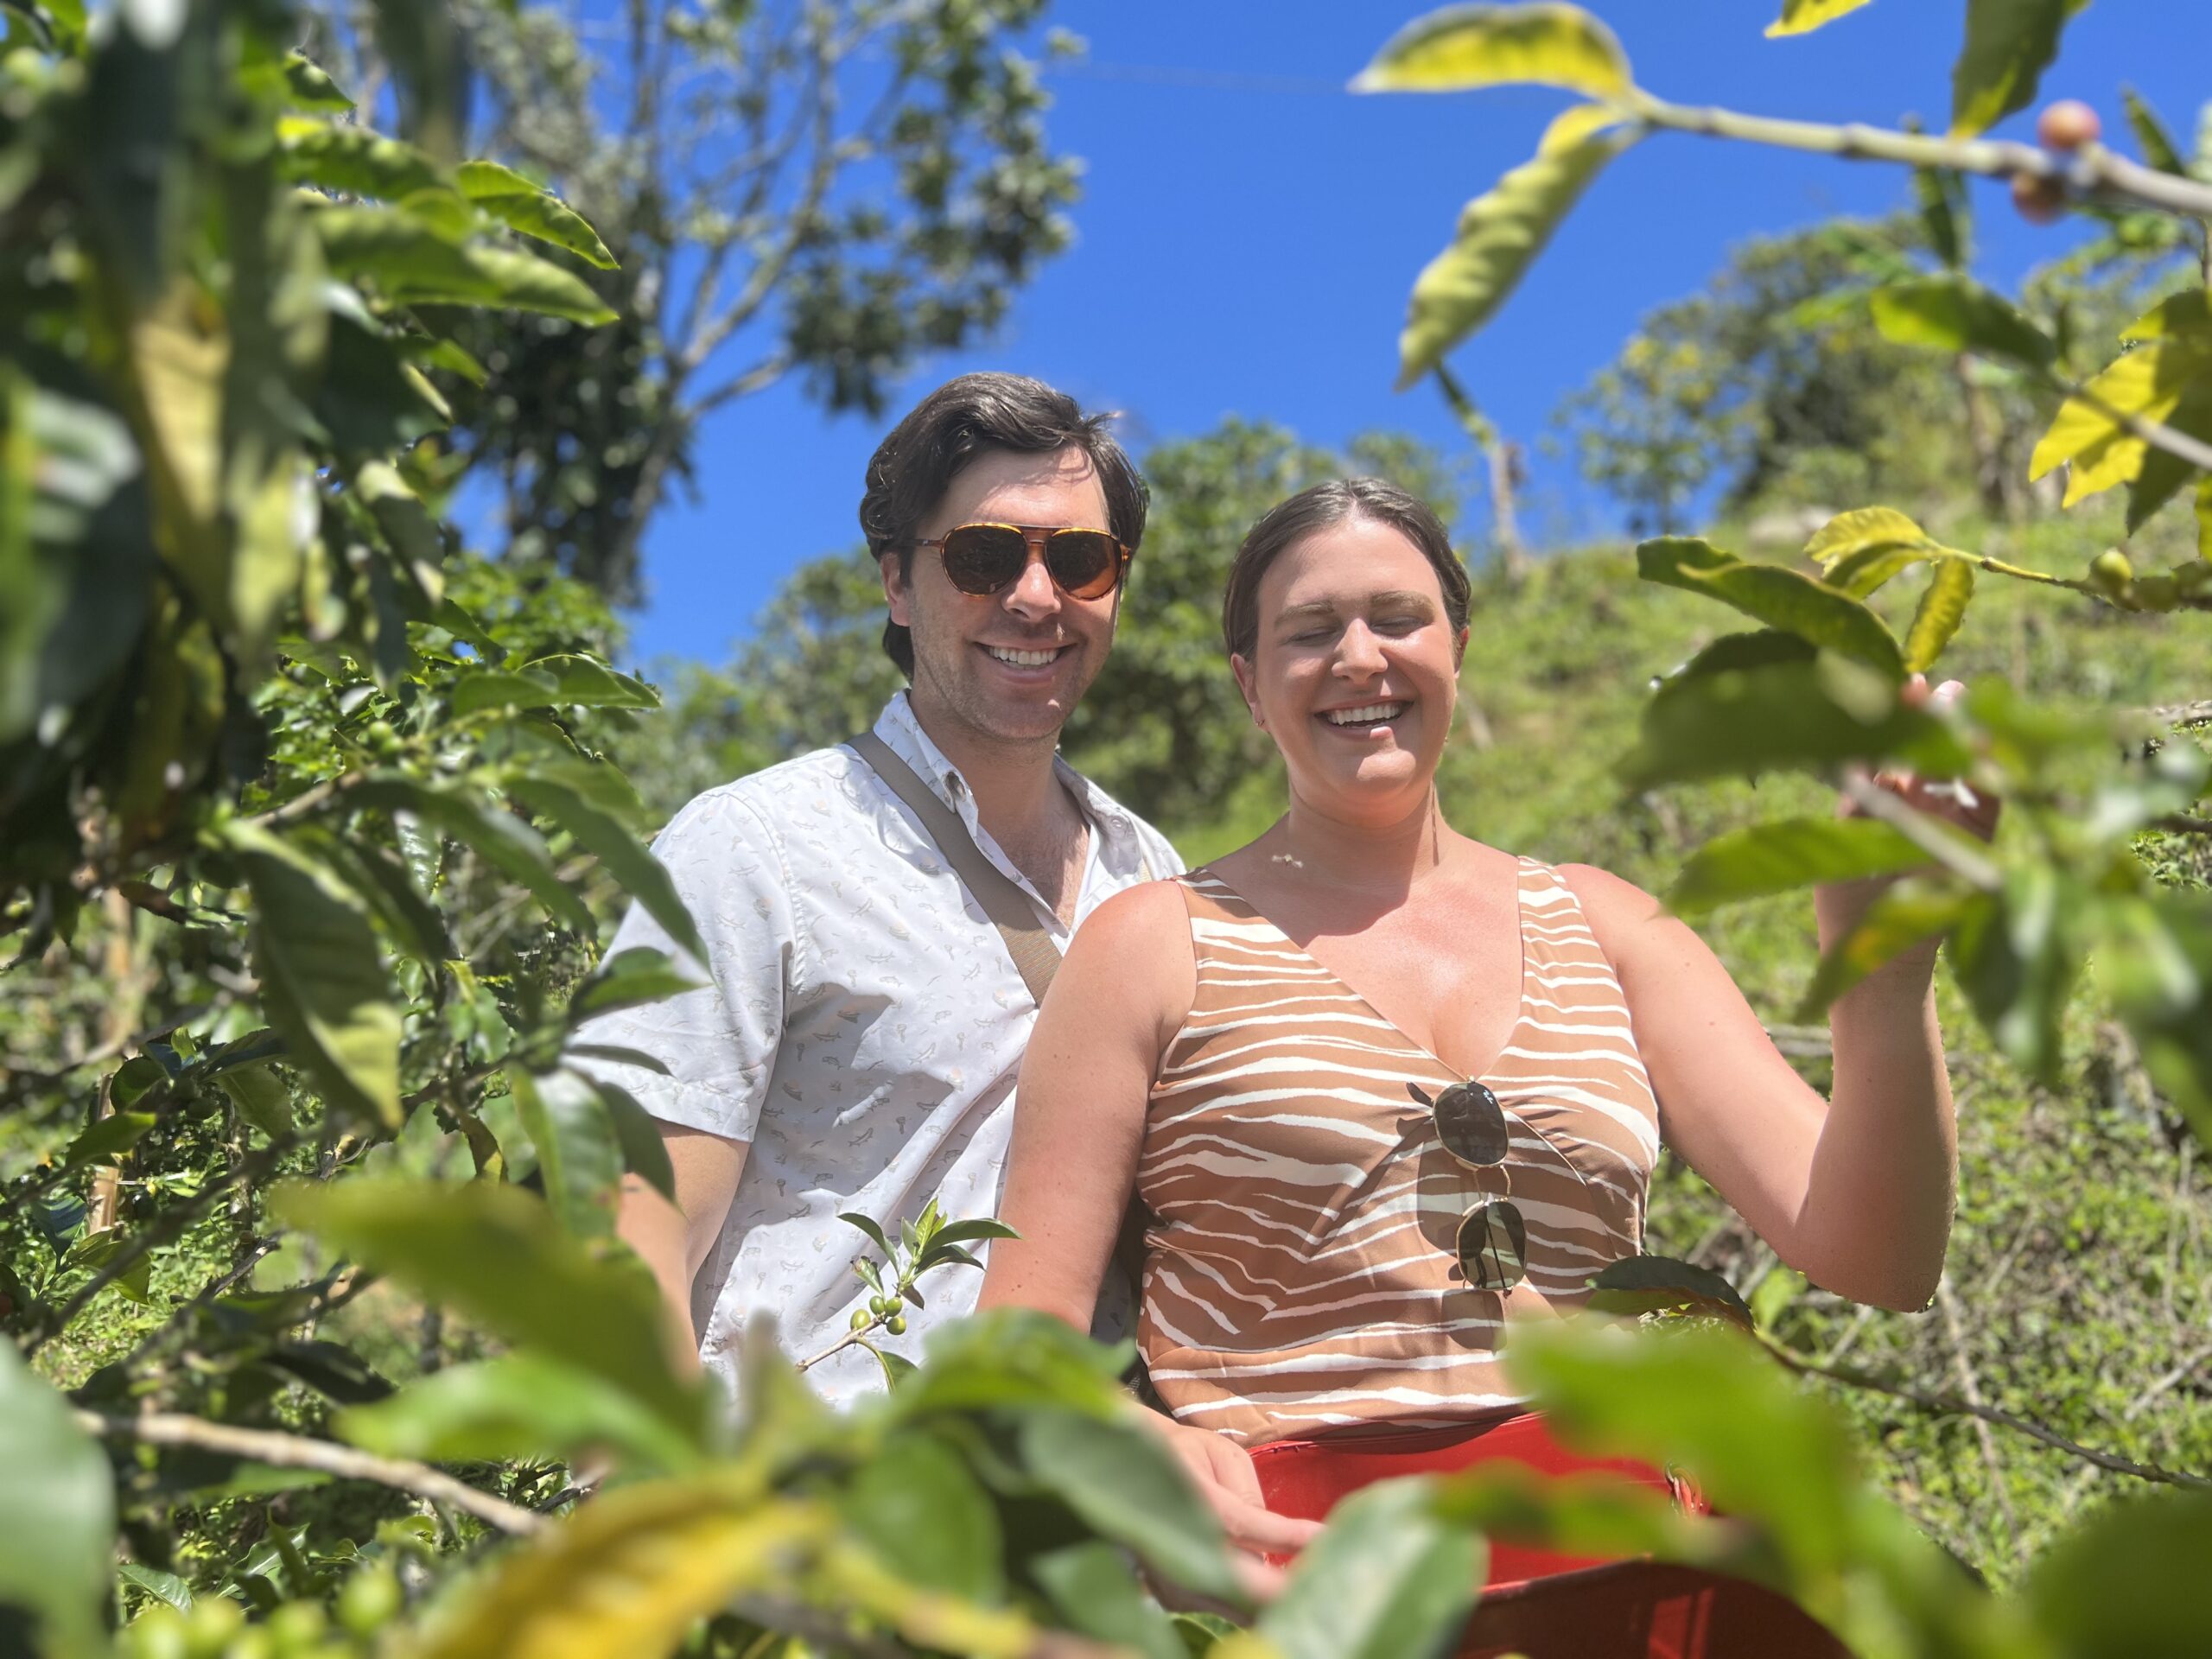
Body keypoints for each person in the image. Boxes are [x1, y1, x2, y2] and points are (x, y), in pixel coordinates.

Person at [977, 476, 1994, 1566]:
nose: (1359, 658)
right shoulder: (1150, 944)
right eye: (1309, 632)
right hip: (1301, 1571)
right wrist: (1124, 1433)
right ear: (1248, 683)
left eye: (1398, 619)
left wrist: (1882, 977)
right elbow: (1018, 1348)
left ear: (1457, 646)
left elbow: (1877, 1256)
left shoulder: (1608, 923)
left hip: (1626, 1552)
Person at [572, 372, 1180, 1405]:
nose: (1035, 597)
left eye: (1079, 560)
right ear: (898, 583)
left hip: (1099, 1531)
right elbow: (632, 1241)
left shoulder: (1153, 874)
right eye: (984, 558)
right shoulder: (755, 850)